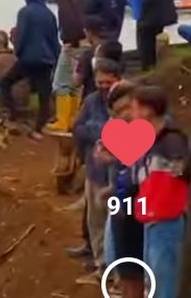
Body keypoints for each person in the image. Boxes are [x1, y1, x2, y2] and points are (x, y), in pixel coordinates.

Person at [132, 86, 189, 298]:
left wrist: (179, 166)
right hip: (152, 220)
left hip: (166, 221)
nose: (132, 113)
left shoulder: (172, 141)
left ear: (148, 111)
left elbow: (181, 169)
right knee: (153, 282)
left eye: (135, 108)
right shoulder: (152, 140)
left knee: (162, 284)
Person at [71, 59, 123, 284]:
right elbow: (77, 127)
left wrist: (99, 133)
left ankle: (118, 272)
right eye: (99, 81)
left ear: (118, 79)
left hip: (118, 176)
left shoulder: (126, 102)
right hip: (95, 171)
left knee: (117, 226)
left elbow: (120, 132)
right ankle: (102, 266)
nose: (103, 86)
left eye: (107, 82)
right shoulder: (91, 101)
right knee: (96, 222)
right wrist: (101, 133)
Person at [93, 82, 145, 298]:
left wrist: (114, 157)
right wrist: (111, 188)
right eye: (117, 112)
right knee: (125, 269)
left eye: (127, 108)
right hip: (122, 208)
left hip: (145, 212)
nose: (124, 115)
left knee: (143, 271)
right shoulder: (120, 132)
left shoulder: (153, 131)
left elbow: (145, 169)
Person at [0, 0, 60, 140]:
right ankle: (39, 127)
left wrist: (18, 53)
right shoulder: (50, 15)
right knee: (44, 95)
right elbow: (54, 40)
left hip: (28, 58)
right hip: (46, 60)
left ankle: (13, 115)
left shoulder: (24, 12)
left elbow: (22, 36)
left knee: (5, 82)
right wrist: (55, 60)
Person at [50, 0, 88, 132]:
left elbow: (67, 19)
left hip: (72, 43)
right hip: (86, 42)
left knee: (61, 83)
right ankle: (73, 119)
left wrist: (68, 41)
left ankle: (62, 121)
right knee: (76, 82)